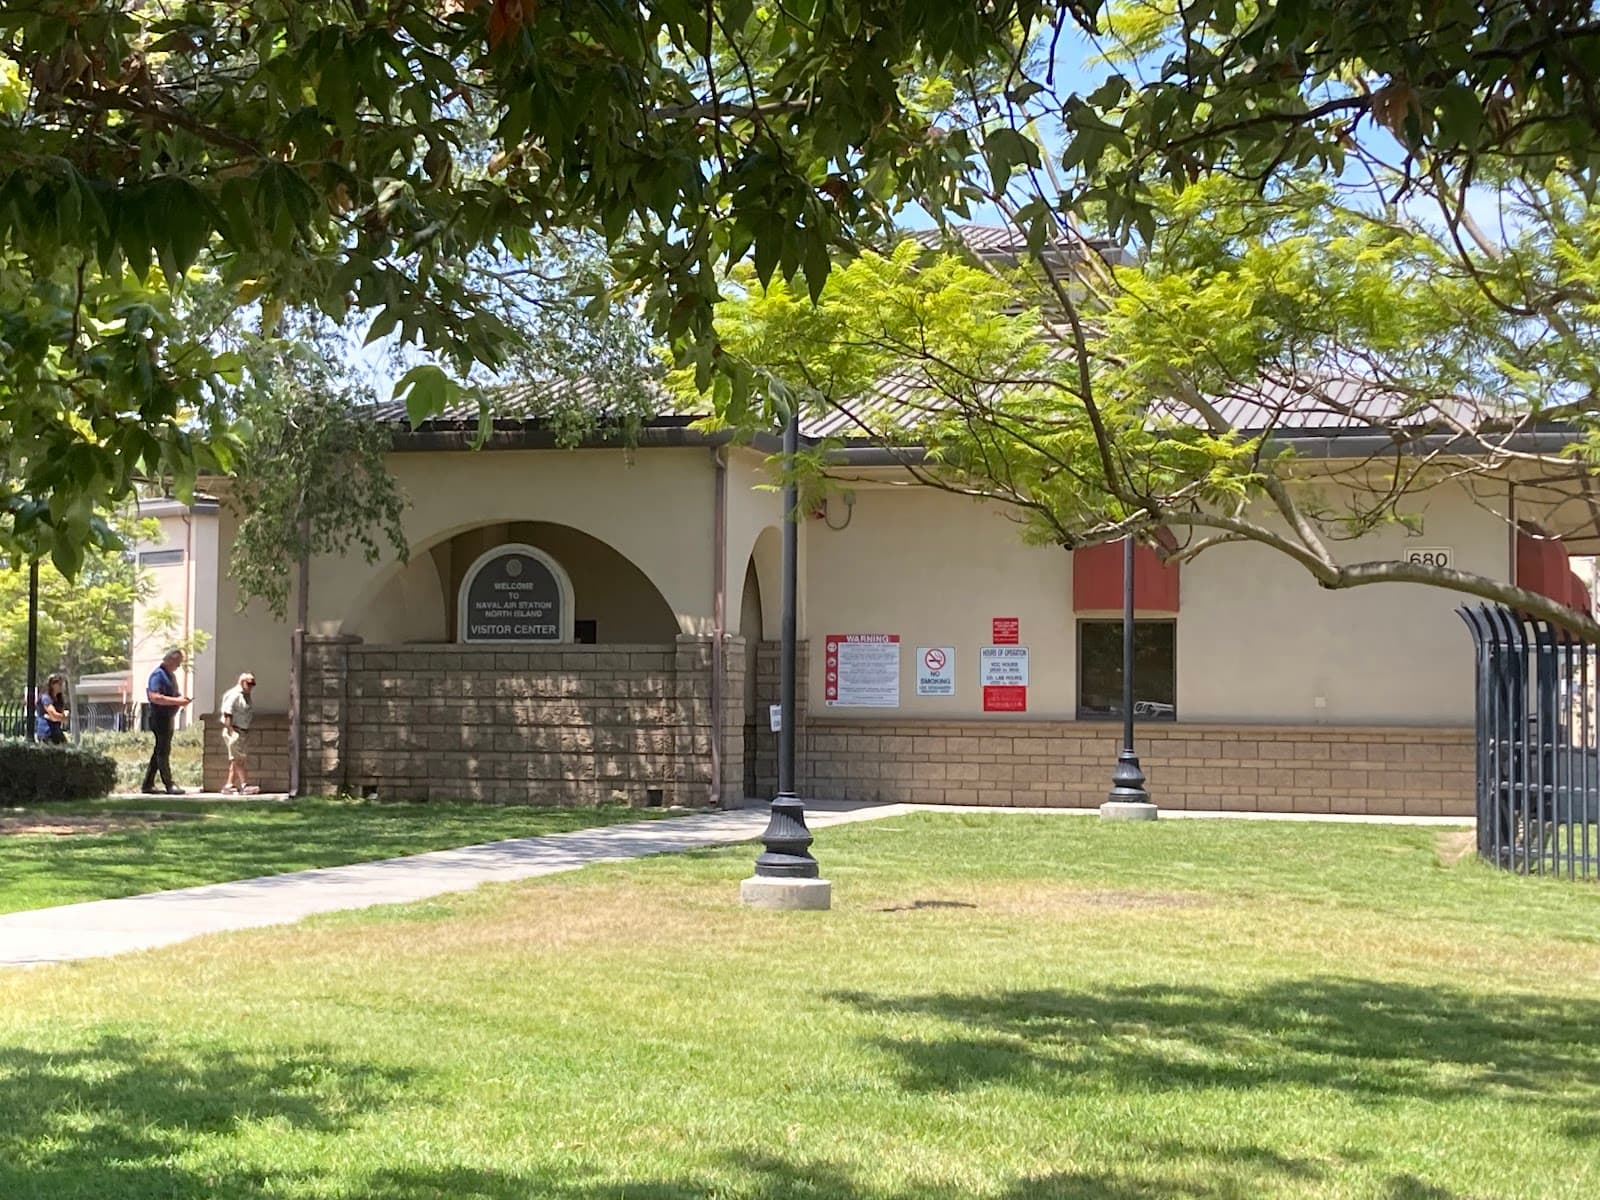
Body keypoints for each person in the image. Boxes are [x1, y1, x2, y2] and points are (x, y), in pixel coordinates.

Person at [142, 648, 191, 795]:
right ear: (169, 659)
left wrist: (181, 699)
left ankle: (147, 784)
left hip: (168, 717)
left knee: (159, 751)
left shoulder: (170, 676)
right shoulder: (158, 675)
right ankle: (169, 784)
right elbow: (155, 697)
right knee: (163, 751)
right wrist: (177, 701)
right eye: (177, 662)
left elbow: (173, 695)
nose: (178, 665)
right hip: (159, 717)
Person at [219, 671, 260, 795]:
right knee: (238, 759)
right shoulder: (234, 694)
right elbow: (228, 712)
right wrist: (231, 731)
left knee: (236, 759)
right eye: (249, 683)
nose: (252, 686)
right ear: (242, 682)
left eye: (253, 684)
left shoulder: (246, 696)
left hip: (242, 731)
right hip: (234, 730)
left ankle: (229, 785)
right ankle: (244, 785)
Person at [34, 674, 68, 745]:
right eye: (59, 684)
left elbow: (62, 718)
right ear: (52, 685)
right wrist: (60, 717)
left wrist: (59, 717)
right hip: (46, 732)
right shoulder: (46, 698)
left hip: (57, 731)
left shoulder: (59, 700)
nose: (62, 686)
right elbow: (54, 716)